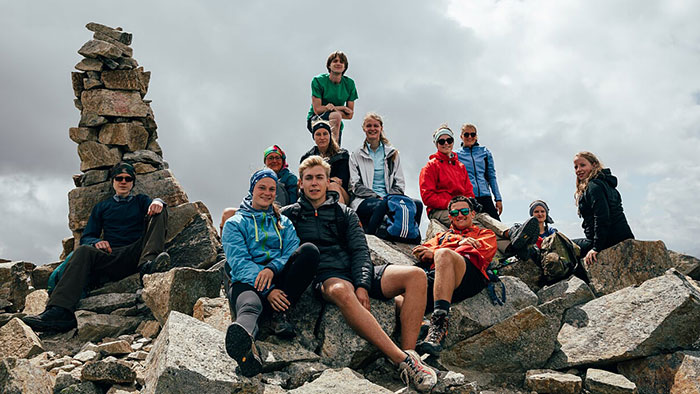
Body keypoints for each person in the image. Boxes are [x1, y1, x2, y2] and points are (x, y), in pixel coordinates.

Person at [282, 156, 437, 392]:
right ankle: (400, 359)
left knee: (415, 276)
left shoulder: (345, 213)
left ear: (328, 182)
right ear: (300, 183)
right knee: (342, 290)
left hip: (356, 271)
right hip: (325, 276)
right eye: (309, 178)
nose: (314, 183)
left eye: (319, 178)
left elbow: (359, 250)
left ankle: (410, 356)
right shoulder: (288, 215)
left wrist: (363, 285)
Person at [23, 162, 170, 332]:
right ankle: (59, 311)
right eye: (119, 178)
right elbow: (87, 237)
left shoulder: (140, 200)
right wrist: (95, 242)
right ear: (113, 182)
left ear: (132, 182)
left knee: (161, 210)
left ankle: (150, 266)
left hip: (136, 253)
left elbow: (156, 204)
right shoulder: (102, 207)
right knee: (83, 250)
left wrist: (158, 201)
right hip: (110, 257)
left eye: (128, 179)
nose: (123, 182)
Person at [222, 169, 320, 377]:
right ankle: (245, 347)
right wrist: (269, 291)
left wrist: (271, 268)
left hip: (279, 279)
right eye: (262, 188)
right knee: (250, 306)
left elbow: (291, 248)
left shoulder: (283, 223)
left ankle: (278, 313)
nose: (267, 193)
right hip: (248, 283)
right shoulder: (235, 223)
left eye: (271, 189)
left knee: (309, 251)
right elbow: (239, 263)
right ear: (252, 190)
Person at [411, 196, 497, 357]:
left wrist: (436, 252)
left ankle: (439, 325)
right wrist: (460, 242)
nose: (460, 215)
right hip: (437, 279)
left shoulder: (485, 234)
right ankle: (420, 323)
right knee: (401, 293)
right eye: (455, 212)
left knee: (444, 254)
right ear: (449, 216)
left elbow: (478, 254)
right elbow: (420, 251)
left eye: (464, 211)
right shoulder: (440, 237)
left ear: (473, 214)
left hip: (469, 277)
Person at [349, 112, 423, 235]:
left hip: (390, 198)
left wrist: (388, 197)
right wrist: (377, 197)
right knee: (381, 205)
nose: (372, 129)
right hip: (364, 200)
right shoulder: (356, 155)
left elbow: (399, 183)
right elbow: (355, 184)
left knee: (417, 205)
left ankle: (412, 237)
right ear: (364, 128)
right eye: (369, 126)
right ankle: (371, 238)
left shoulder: (392, 154)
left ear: (381, 128)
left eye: (376, 126)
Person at [219, 145, 298, 234]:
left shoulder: (290, 179)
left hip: (278, 213)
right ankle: (223, 244)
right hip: (255, 212)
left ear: (283, 160)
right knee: (228, 213)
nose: (274, 161)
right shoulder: (259, 177)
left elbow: (293, 203)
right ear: (265, 162)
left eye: (277, 158)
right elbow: (250, 198)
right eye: (270, 158)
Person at [572, 151, 634, 265]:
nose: (578, 170)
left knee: (566, 246)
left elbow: (602, 217)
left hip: (608, 240)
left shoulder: (593, 187)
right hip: (622, 236)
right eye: (575, 167)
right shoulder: (605, 183)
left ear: (594, 165)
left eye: (582, 165)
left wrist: (596, 248)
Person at [418, 124, 475, 229]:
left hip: (462, 208)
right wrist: (453, 205)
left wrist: (470, 202)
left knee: (484, 217)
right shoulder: (430, 166)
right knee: (473, 225)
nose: (446, 143)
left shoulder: (460, 166)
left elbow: (469, 191)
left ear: (453, 141)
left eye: (449, 140)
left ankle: (511, 234)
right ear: (436, 144)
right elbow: (428, 197)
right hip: (440, 210)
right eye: (441, 141)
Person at [306, 50, 358, 146]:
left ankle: (334, 152)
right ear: (329, 65)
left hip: (336, 125)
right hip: (316, 119)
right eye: (335, 61)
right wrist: (341, 108)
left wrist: (333, 108)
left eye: (341, 62)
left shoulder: (349, 84)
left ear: (345, 67)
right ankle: (332, 150)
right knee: (336, 116)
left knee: (335, 158)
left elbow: (349, 114)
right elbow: (317, 109)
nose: (338, 63)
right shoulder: (318, 81)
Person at [455, 124, 503, 220]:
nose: (470, 137)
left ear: (476, 136)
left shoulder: (485, 152)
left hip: (485, 196)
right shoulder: (456, 155)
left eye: (472, 134)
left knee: (496, 224)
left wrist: (498, 198)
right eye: (466, 134)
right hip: (467, 198)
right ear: (461, 137)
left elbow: (491, 177)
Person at [300, 119, 351, 204]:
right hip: (316, 190)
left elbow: (342, 180)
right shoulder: (307, 158)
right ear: (314, 137)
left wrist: (327, 182)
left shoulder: (342, 155)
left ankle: (340, 216)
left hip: (341, 192)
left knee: (332, 186)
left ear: (330, 136)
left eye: (325, 134)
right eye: (318, 134)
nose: (322, 137)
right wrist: (330, 179)